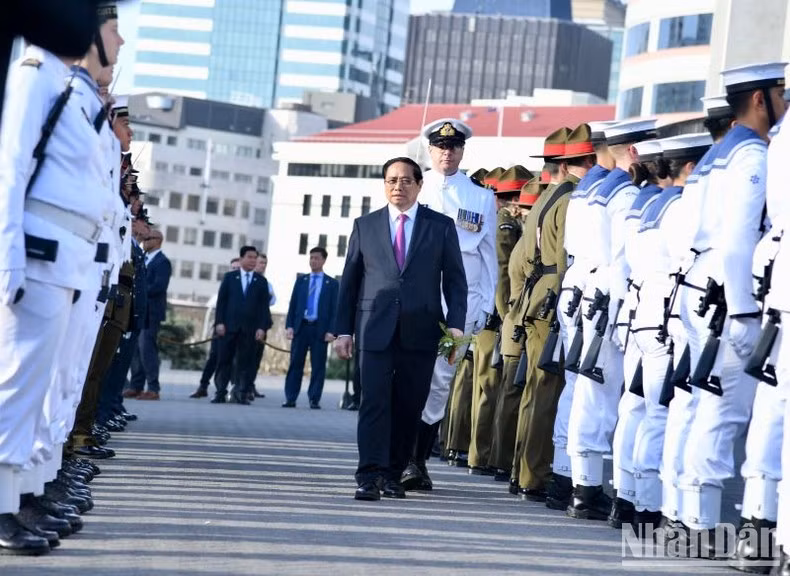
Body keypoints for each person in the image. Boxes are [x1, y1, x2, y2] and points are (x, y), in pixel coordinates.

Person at [0, 11, 113, 556]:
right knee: (17, 385)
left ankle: (17, 498)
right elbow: (10, 169)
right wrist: (8, 260)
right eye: (112, 27)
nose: (119, 39)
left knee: (38, 387)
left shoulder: (59, 80)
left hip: (66, 257)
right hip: (38, 253)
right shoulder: (33, 73)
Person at [675, 61, 786, 558]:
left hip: (703, 283)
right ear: (761, 99)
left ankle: (689, 518)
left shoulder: (715, 155)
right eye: (780, 94)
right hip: (729, 293)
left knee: (705, 407)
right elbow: (741, 235)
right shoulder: (750, 155)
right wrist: (742, 311)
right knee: (728, 410)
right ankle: (710, 527)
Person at [334, 156, 467, 501]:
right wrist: (343, 331)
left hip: (421, 330)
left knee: (409, 405)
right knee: (373, 402)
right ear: (384, 185)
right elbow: (350, 282)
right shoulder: (365, 226)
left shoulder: (440, 226)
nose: (398, 187)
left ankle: (393, 474)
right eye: (391, 180)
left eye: (406, 180)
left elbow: (456, 281)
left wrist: (455, 325)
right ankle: (369, 475)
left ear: (419, 185)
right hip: (373, 329)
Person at [566, 118, 657, 521]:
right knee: (607, 398)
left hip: (587, 289)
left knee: (589, 393)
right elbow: (621, 260)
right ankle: (599, 491)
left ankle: (584, 485)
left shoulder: (593, 188)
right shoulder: (624, 192)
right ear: (635, 152)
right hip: (609, 297)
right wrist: (623, 315)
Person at [400, 118, 496, 490]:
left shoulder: (481, 197)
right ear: (430, 150)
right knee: (409, 376)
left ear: (462, 151)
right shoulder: (414, 189)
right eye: (440, 146)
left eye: (453, 146)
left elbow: (488, 256)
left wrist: (485, 305)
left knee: (440, 381)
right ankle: (399, 455)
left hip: (460, 307)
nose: (447, 152)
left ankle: (417, 460)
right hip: (417, 302)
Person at [515, 124, 596, 503]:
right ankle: (534, 475)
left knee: (535, 389)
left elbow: (521, 258)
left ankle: (522, 471)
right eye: (591, 161)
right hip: (553, 295)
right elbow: (566, 257)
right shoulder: (571, 199)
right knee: (547, 391)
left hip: (536, 295)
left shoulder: (548, 196)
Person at [546, 120, 615, 510]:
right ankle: (585, 485)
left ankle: (564, 475)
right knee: (599, 394)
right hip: (599, 293)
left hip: (576, 290)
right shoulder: (610, 190)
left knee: (576, 389)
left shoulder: (580, 192)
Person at [466, 167, 529, 475]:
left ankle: (477, 453)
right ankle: (481, 455)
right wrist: (507, 316)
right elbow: (502, 275)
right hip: (496, 316)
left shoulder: (500, 221)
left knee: (486, 387)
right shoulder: (504, 224)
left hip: (493, 314)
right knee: (490, 388)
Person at [488, 176, 547, 489]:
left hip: (516, 318)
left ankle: (506, 464)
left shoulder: (524, 236)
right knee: (512, 394)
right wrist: (506, 315)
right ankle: (504, 463)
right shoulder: (522, 239)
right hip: (517, 319)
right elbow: (504, 278)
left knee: (512, 393)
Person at [211, 246, 272, 405]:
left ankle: (241, 393)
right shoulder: (230, 278)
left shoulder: (261, 281)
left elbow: (263, 308)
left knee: (245, 362)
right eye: (249, 257)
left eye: (255, 258)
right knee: (224, 361)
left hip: (250, 329)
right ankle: (220, 392)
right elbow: (221, 302)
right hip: (229, 327)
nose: (253, 260)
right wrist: (219, 322)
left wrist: (262, 327)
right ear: (241, 258)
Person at [282, 247, 338, 409]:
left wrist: (332, 331)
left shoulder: (332, 284)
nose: (313, 261)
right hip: (301, 328)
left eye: (316, 258)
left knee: (318, 366)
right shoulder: (301, 281)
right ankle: (290, 397)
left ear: (324, 260)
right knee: (295, 364)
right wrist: (289, 326)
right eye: (311, 257)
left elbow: (335, 310)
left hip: (320, 330)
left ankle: (314, 398)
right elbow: (293, 305)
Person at [125, 228, 171, 400]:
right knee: (136, 350)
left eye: (148, 239)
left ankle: (153, 388)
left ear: (158, 240)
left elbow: (159, 286)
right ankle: (136, 386)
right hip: (139, 311)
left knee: (147, 349)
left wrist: (138, 291)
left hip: (152, 313)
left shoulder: (162, 262)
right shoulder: (143, 258)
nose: (144, 241)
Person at [191, 258, 240, 398]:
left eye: (238, 268)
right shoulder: (226, 285)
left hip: (237, 330)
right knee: (214, 358)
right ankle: (203, 386)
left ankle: (233, 389)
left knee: (234, 361)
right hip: (221, 329)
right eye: (233, 268)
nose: (235, 270)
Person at [249, 253, 276, 400]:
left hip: (261, 326)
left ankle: (250, 384)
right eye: (261, 262)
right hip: (247, 326)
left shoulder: (265, 283)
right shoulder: (248, 280)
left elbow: (272, 301)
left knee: (256, 358)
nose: (263, 266)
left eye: (265, 263)